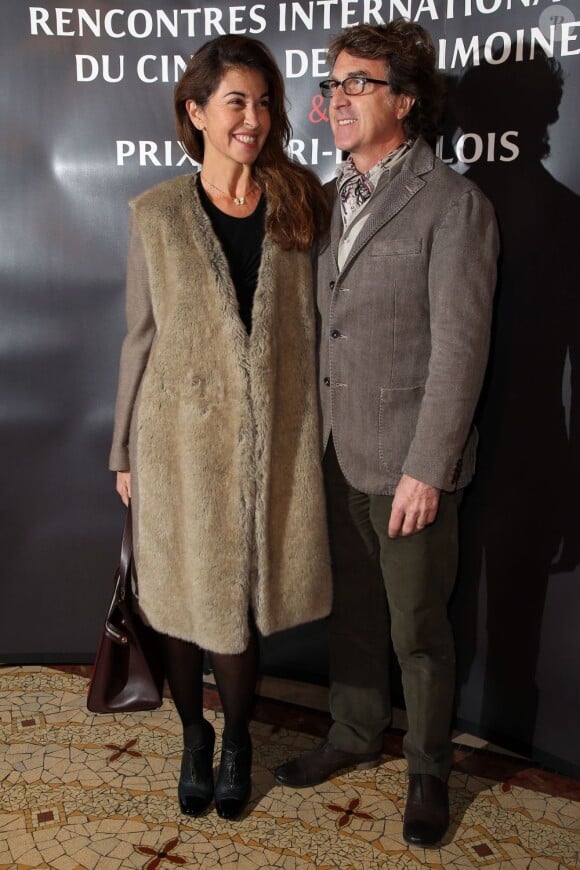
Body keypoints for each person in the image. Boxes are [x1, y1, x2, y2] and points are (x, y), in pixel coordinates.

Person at [274, 20, 499, 847]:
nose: (338, 98)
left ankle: (429, 772)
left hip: (410, 464)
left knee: (418, 631)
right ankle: (354, 732)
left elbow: (461, 352)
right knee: (357, 617)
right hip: (337, 451)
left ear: (406, 99)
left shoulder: (454, 204)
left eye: (359, 83)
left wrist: (427, 469)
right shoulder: (326, 197)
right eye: (332, 85)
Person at [109, 34, 332, 821]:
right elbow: (141, 337)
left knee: (239, 607)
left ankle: (237, 738)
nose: (254, 118)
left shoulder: (303, 199)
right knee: (178, 602)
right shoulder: (157, 215)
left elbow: (320, 327)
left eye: (264, 101)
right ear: (195, 112)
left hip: (275, 444)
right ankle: (194, 736)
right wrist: (122, 452)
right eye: (236, 101)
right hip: (174, 443)